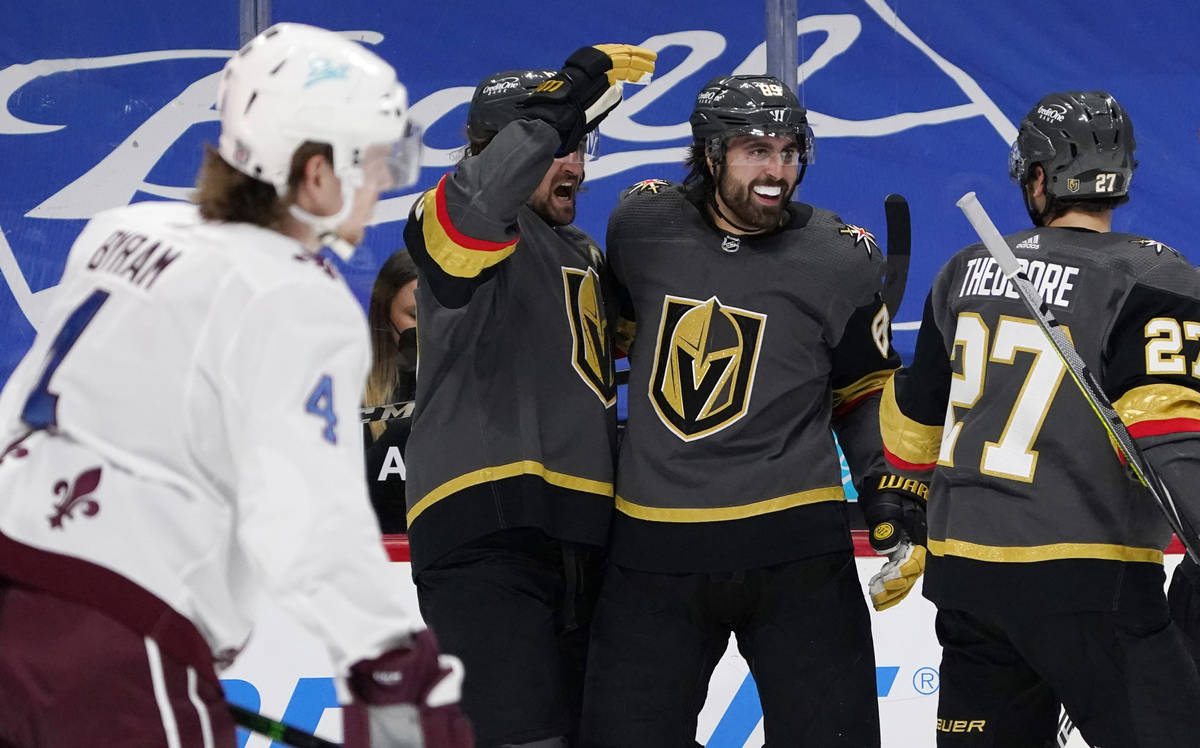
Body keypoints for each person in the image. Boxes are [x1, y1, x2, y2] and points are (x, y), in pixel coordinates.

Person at [0, 23, 471, 748]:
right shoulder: (292, 298)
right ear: (316, 174)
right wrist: (392, 665)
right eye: (375, 159)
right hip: (109, 643)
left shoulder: (118, 233)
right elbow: (309, 521)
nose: (385, 179)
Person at [579, 74, 916, 748]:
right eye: (756, 151)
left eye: (791, 152)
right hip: (654, 545)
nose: (778, 171)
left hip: (794, 545)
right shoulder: (639, 226)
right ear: (710, 154)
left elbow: (865, 386)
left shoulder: (840, 258)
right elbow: (614, 336)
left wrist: (885, 489)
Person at [879, 90, 1200, 746]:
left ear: (1036, 177)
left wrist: (911, 504)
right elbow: (1172, 441)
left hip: (967, 579)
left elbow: (912, 437)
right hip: (1088, 579)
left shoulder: (966, 270)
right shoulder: (1157, 276)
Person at [402, 46, 655, 748]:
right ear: (496, 150)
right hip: (484, 531)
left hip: (584, 537)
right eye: (553, 147)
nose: (572, 163)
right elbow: (479, 205)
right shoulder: (459, 217)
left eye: (579, 145)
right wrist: (563, 97)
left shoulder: (582, 253)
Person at [363, 248, 419, 533]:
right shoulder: (351, 395)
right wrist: (399, 434)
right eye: (414, 315)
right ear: (385, 316)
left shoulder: (480, 397)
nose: (429, 328)